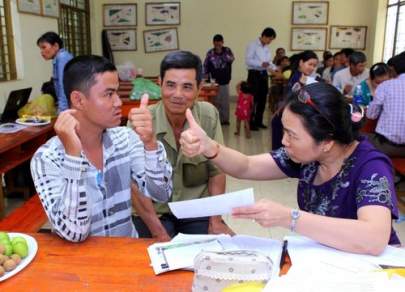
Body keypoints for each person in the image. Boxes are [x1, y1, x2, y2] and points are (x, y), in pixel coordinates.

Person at [180, 82, 400, 255]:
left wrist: (290, 218)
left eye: (292, 135)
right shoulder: (306, 157)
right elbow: (246, 166)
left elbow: (373, 238)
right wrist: (210, 148)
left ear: (326, 142)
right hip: (329, 257)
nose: (284, 141)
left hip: (373, 270)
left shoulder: (370, 167)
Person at [30, 55, 173, 242]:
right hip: (82, 265)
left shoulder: (126, 139)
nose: (118, 102)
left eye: (117, 93)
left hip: (126, 252)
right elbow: (75, 233)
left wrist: (151, 144)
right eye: (109, 94)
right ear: (79, 100)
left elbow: (161, 193)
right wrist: (73, 156)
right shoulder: (47, 158)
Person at [131, 51, 234, 241]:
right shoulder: (141, 121)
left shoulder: (208, 115)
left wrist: (216, 220)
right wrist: (159, 233)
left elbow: (217, 171)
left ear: (199, 88)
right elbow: (134, 186)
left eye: (187, 87)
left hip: (196, 209)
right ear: (159, 82)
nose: (178, 95)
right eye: (170, 85)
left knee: (218, 253)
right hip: (154, 213)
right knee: (148, 262)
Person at [271, 50, 319, 151]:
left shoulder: (304, 77)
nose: (312, 68)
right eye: (310, 64)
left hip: (287, 116)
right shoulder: (298, 77)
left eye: (314, 66)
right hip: (285, 118)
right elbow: (293, 97)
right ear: (301, 62)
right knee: (282, 153)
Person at [366, 52, 405, 157]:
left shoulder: (386, 86)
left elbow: (371, 115)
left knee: (359, 136)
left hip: (387, 146)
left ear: (392, 69)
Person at [245, 27, 277, 131]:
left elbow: (269, 62)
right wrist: (260, 63)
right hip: (254, 74)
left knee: (263, 98)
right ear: (264, 36)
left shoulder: (266, 48)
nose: (270, 42)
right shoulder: (252, 45)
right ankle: (251, 122)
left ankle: (259, 121)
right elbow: (248, 60)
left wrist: (275, 68)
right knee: (254, 99)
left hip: (263, 74)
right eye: (269, 39)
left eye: (271, 40)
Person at [37, 32, 73, 113]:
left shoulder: (62, 57)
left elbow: (63, 85)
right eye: (40, 49)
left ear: (56, 46)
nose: (42, 52)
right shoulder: (59, 57)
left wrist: (62, 111)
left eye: (44, 47)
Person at [203, 34, 235, 125]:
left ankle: (225, 120)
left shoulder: (227, 50)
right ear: (213, 43)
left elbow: (231, 59)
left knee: (225, 101)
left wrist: (221, 52)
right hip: (214, 81)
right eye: (216, 42)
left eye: (219, 42)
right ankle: (216, 120)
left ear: (222, 42)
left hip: (225, 79)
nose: (217, 44)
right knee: (216, 101)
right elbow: (206, 65)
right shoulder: (210, 53)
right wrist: (205, 76)